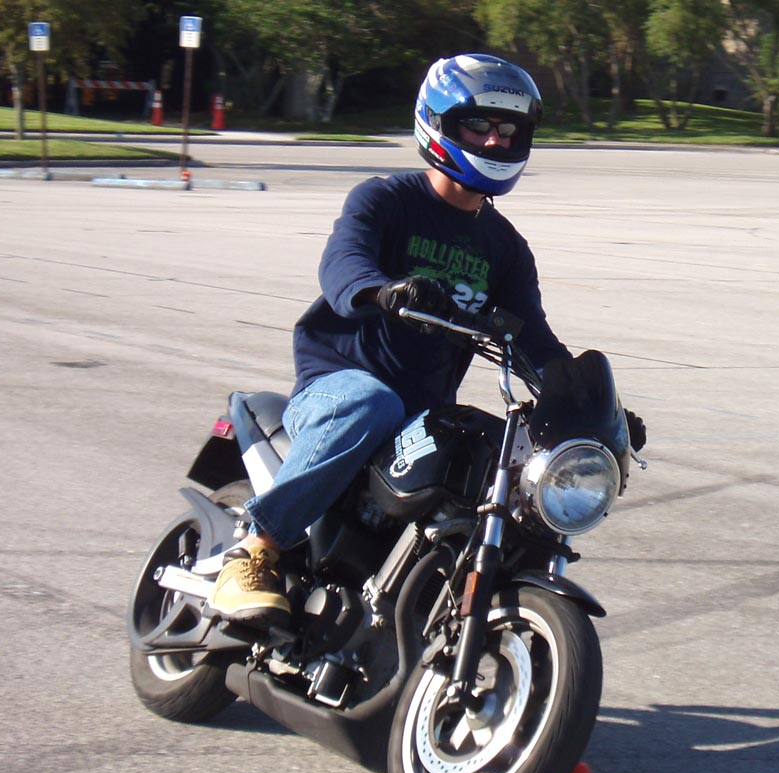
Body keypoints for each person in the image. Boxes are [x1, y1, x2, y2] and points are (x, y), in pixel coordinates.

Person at [206, 53, 642, 627]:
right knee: (372, 401)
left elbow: (532, 337)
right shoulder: (384, 200)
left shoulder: (506, 248)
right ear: (438, 123)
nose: (495, 140)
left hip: (421, 412)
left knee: (497, 451)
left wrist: (590, 407)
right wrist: (382, 290)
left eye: (507, 129)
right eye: (478, 125)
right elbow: (343, 263)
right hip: (338, 386)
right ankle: (254, 551)